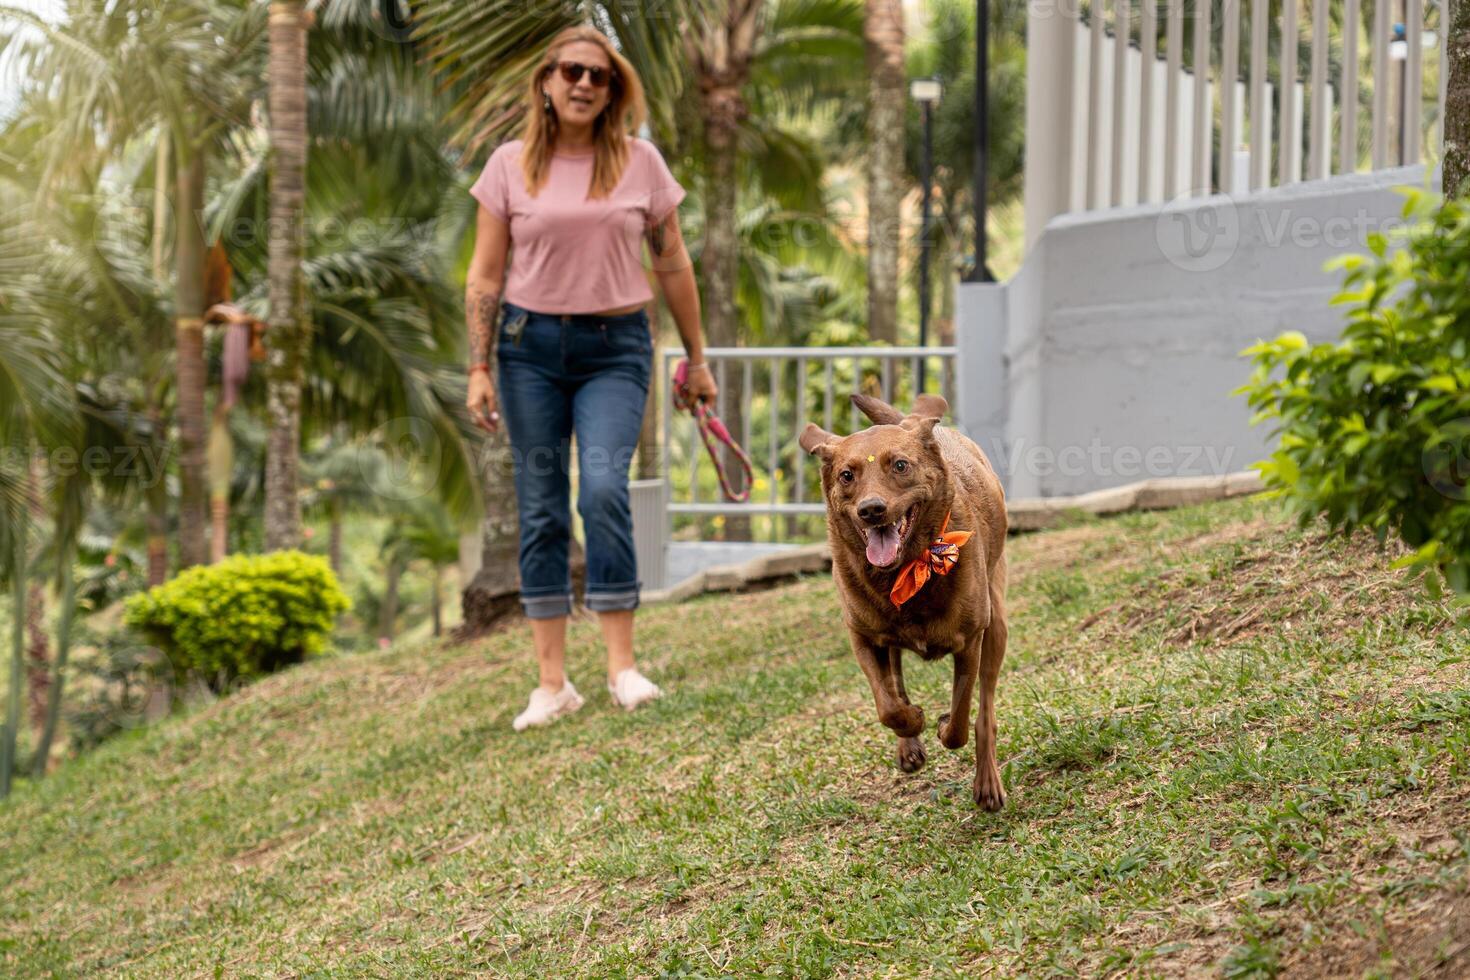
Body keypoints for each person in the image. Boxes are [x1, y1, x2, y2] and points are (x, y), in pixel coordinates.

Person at [464, 25, 718, 731]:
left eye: (598, 76)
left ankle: (621, 669)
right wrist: (479, 365)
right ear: (546, 81)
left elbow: (672, 264)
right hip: (526, 350)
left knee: (604, 489)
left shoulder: (640, 164)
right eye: (571, 71)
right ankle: (551, 684)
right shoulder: (509, 166)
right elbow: (485, 275)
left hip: (616, 348)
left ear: (613, 91)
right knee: (542, 507)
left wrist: (698, 359)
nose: (582, 83)